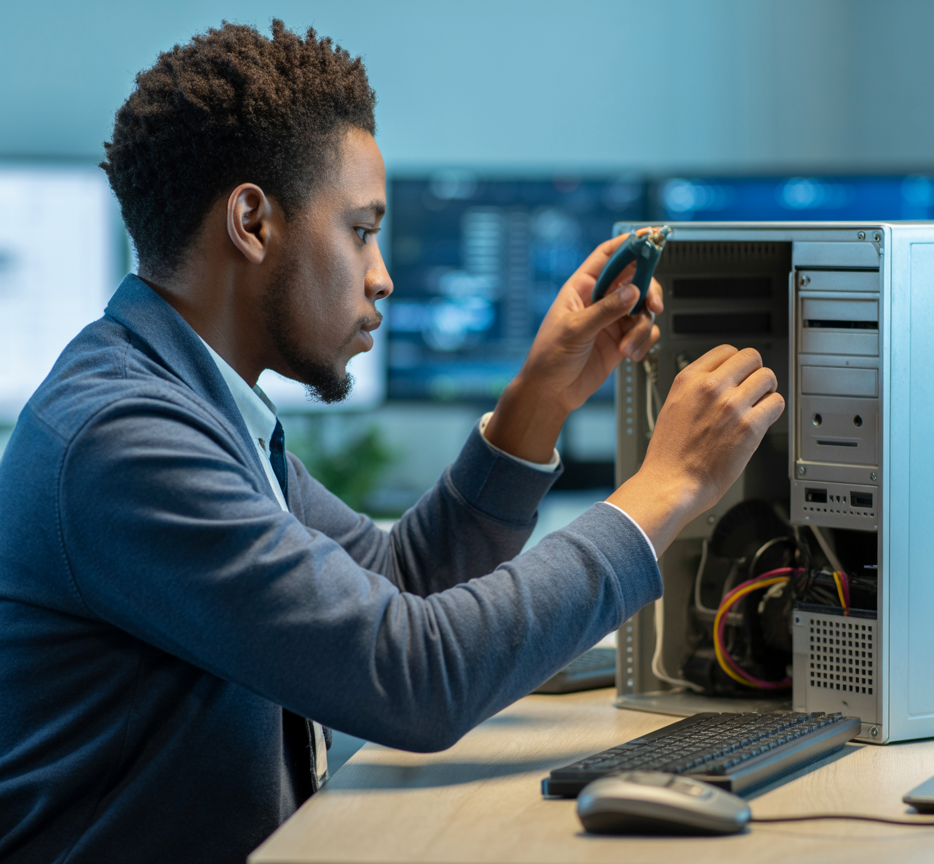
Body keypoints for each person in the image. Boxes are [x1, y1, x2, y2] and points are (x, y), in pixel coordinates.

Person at [0, 20, 785, 864]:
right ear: (253, 222)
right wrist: (665, 490)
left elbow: (393, 583)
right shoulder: (124, 442)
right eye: (361, 230)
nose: (383, 275)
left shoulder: (192, 403)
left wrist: (539, 400)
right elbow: (411, 675)